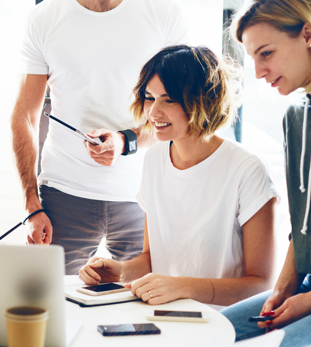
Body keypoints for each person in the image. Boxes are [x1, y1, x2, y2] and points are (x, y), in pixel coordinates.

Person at [79, 45, 279, 308]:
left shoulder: (248, 168)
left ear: (205, 100)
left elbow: (262, 285)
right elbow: (152, 258)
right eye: (150, 97)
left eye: (169, 99)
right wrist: (120, 271)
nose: (153, 112)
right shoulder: (154, 159)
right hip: (164, 314)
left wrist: (182, 286)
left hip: (224, 322)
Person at [11, 0, 190, 274]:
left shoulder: (165, 13)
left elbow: (180, 111)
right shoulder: (43, 17)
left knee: (148, 306)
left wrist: (124, 140)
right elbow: (25, 116)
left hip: (144, 194)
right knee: (51, 304)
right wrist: (31, 204)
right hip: (63, 193)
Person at [220, 1, 311, 345]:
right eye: (252, 58)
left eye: (266, 53)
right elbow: (303, 226)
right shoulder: (296, 119)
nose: (258, 72)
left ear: (308, 34)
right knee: (211, 332)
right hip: (307, 282)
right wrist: (284, 288)